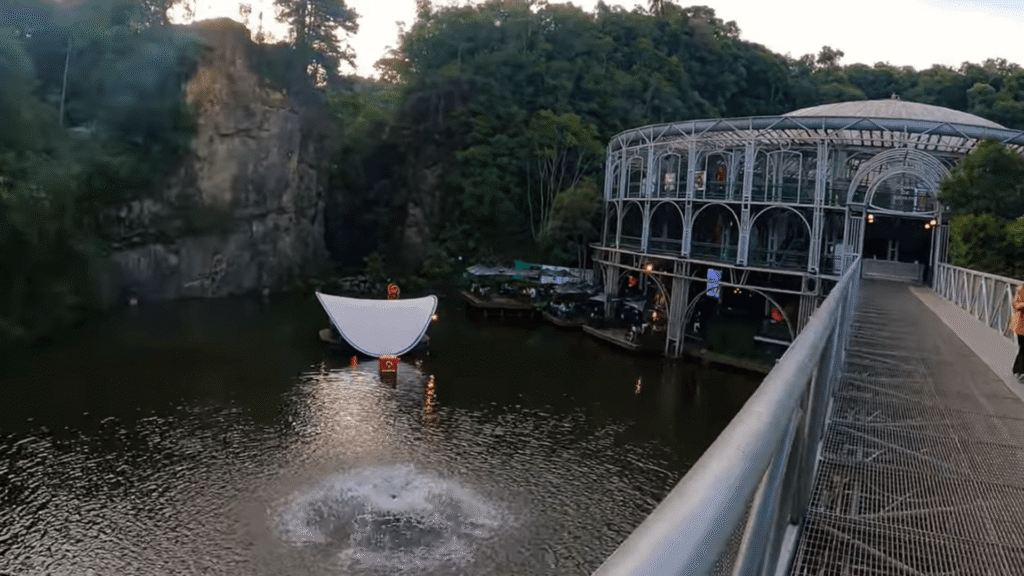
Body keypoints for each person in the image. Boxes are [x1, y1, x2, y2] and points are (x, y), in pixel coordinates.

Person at [1012, 283, 1024, 378]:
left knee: (1022, 348)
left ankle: (1017, 369)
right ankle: (1020, 371)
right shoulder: (1021, 291)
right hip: (1021, 325)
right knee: (1023, 348)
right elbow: (1016, 305)